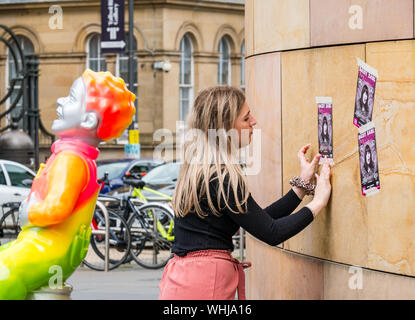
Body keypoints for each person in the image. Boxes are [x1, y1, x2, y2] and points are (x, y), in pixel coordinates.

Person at [158, 86, 332, 300]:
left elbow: (258, 220)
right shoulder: (222, 176)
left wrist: (301, 187)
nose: (254, 122)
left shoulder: (202, 169)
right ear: (225, 128)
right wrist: (318, 202)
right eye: (246, 118)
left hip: (184, 281)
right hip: (205, 285)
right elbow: (272, 232)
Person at [0, 69, 135, 299]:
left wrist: (28, 211)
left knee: (4, 274)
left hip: (48, 249)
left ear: (89, 119)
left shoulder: (70, 159)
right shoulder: (80, 159)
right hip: (59, 252)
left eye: (72, 98)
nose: (61, 101)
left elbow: (56, 209)